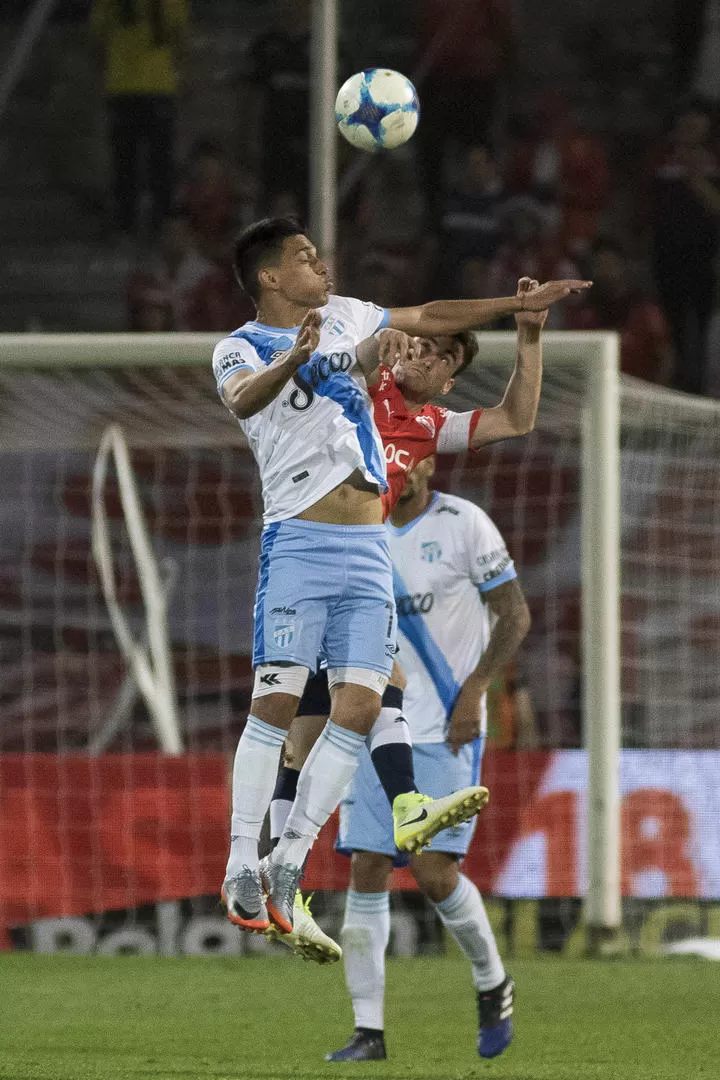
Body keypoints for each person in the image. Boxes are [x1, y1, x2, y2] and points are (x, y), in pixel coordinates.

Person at [211, 215, 589, 937]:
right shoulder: (240, 348)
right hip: (300, 538)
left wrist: (520, 313)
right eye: (305, 258)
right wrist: (317, 357)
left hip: (367, 550)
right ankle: (241, 864)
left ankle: (288, 859)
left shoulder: (373, 346)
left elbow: (441, 323)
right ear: (269, 277)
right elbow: (244, 397)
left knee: (364, 704)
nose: (323, 265)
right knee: (282, 705)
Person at [266, 277, 548, 962]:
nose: (424, 350)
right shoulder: (368, 388)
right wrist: (372, 347)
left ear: (450, 379)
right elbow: (334, 374)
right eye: (420, 342)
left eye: (441, 352)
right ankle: (400, 809)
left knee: (305, 737)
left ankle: (278, 885)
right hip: (316, 550)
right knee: (377, 678)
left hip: (330, 565)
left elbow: (516, 420)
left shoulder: (428, 427)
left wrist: (530, 337)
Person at [325, 455, 531, 1062]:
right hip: (373, 722)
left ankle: (494, 983)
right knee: (367, 864)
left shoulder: (465, 524)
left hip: (446, 725)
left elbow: (515, 615)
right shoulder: (356, 531)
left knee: (434, 871)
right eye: (388, 461)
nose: (400, 472)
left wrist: (477, 689)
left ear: (429, 463)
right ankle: (369, 1032)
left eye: (409, 461)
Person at [91, 0, 188, 238]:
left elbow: (180, 36)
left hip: (151, 86)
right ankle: (130, 220)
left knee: (155, 161)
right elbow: (98, 38)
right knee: (128, 160)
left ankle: (155, 221)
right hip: (131, 86)